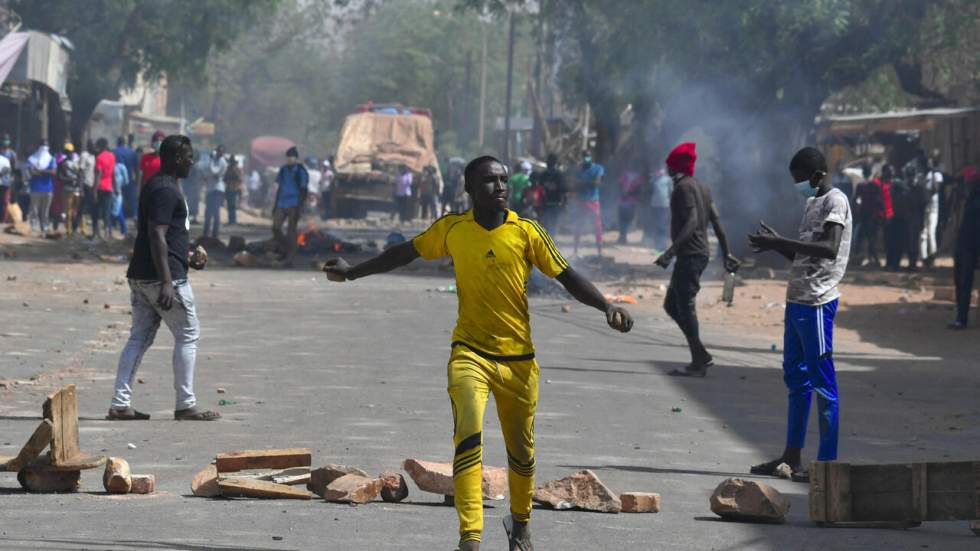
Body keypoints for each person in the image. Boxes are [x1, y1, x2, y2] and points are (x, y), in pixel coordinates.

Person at [323, 155, 633, 551]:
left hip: (519, 363)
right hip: (470, 354)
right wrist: (353, 271)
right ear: (469, 189)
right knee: (468, 440)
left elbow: (566, 275)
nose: (501, 187)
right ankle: (469, 538)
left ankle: (520, 525)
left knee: (522, 455)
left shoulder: (527, 232)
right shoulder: (453, 229)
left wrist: (606, 305)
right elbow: (405, 252)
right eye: (489, 181)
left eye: (504, 180)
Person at [747, 147, 852, 481]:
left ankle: (827, 465)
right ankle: (792, 457)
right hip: (797, 302)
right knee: (796, 380)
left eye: (800, 179)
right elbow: (803, 259)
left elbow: (829, 249)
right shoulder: (812, 204)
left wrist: (783, 239)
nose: (798, 186)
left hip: (818, 304)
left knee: (823, 383)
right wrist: (775, 245)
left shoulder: (836, 201)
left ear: (817, 175)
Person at [107, 134, 220, 422]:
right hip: (162, 279)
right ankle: (185, 404)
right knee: (187, 334)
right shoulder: (166, 190)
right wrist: (168, 280)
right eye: (187, 157)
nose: (192, 162)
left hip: (142, 275)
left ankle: (120, 404)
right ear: (173, 159)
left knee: (139, 338)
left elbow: (164, 234)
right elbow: (156, 235)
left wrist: (188, 253)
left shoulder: (157, 186)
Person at [655, 142, 739, 377]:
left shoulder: (683, 188)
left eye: (670, 164)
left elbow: (692, 222)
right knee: (672, 305)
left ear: (676, 166)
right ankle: (699, 354)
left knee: (685, 305)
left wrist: (669, 252)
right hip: (698, 254)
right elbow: (717, 224)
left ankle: (699, 360)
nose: (667, 168)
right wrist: (727, 253)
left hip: (690, 254)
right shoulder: (703, 188)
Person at [949, 169, 980, 330]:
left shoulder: (975, 202)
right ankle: (961, 317)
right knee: (961, 283)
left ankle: (962, 318)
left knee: (964, 283)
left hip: (970, 247)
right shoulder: (967, 200)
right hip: (964, 246)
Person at [272, 146, 308, 264]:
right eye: (287, 157)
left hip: (294, 203)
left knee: (291, 231)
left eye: (291, 157)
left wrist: (300, 206)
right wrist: (275, 204)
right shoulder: (283, 170)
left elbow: (303, 190)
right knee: (275, 227)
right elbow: (279, 187)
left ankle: (290, 257)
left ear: (296, 158)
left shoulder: (300, 171)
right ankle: (286, 248)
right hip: (282, 203)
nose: (289, 159)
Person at [572, 150, 605, 257]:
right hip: (580, 201)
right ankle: (575, 251)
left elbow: (597, 183)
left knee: (597, 226)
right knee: (578, 225)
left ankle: (600, 252)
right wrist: (589, 183)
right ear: (582, 157)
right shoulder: (578, 169)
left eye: (588, 156)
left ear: (591, 156)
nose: (586, 158)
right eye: (585, 156)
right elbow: (574, 184)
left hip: (593, 201)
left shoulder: (598, 168)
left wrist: (582, 183)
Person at [26, 140, 57, 235]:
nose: (44, 147)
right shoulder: (32, 159)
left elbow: (53, 172)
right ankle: (34, 228)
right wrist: (46, 171)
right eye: (43, 145)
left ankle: (45, 227)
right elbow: (31, 172)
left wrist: (40, 171)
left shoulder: (51, 159)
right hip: (35, 188)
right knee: (34, 210)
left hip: (48, 189)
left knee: (45, 211)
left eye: (46, 145)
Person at [919, 159, 943, 268]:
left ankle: (932, 257)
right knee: (923, 234)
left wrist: (933, 173)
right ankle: (924, 257)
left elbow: (935, 189)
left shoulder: (937, 175)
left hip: (933, 208)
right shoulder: (926, 175)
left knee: (931, 233)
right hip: (925, 207)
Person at [537, 153, 565, 235]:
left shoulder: (559, 175)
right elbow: (539, 189)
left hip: (556, 204)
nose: (549, 163)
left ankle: (552, 241)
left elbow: (563, 190)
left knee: (553, 224)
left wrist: (563, 203)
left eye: (551, 161)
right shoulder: (543, 175)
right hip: (545, 204)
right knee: (545, 225)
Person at [94, 138, 117, 239]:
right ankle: (108, 232)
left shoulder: (99, 157)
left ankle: (98, 233)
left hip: (100, 187)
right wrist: (115, 187)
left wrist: (94, 190)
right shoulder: (112, 156)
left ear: (100, 146)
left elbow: (98, 174)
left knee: (98, 211)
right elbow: (113, 174)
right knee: (107, 211)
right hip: (109, 187)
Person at [203, 144, 227, 239]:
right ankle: (205, 234)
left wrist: (211, 160)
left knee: (215, 212)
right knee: (208, 213)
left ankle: (214, 235)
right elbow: (206, 171)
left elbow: (213, 171)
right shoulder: (213, 160)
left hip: (217, 190)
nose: (219, 152)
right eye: (218, 150)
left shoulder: (222, 162)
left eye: (221, 151)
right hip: (210, 189)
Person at [57, 143, 81, 237]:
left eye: (71, 152)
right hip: (67, 189)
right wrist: (70, 180)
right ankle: (69, 230)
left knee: (77, 210)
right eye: (68, 152)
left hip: (77, 189)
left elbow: (81, 174)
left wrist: (79, 182)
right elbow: (60, 176)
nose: (70, 154)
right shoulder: (62, 163)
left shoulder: (77, 162)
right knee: (68, 211)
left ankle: (76, 229)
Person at [616, 162, 643, 245]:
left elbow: (619, 186)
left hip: (622, 201)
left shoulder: (624, 175)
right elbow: (638, 190)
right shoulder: (639, 178)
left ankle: (622, 236)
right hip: (631, 202)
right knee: (627, 220)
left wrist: (623, 194)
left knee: (622, 220)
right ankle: (623, 236)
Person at [113, 136, 138, 219]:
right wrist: (137, 181)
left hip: (116, 179)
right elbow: (136, 168)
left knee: (117, 198)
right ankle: (134, 215)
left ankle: (117, 216)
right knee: (131, 198)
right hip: (129, 179)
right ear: (125, 143)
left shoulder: (114, 151)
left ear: (117, 142)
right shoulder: (132, 152)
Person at [649, 168, 673, 251]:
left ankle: (662, 246)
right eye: (658, 169)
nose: (659, 171)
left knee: (662, 225)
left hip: (665, 206)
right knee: (656, 225)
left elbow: (671, 192)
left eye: (661, 169)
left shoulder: (668, 180)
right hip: (655, 205)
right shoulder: (653, 179)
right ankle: (657, 245)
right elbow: (650, 191)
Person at [79, 140, 97, 238]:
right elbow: (81, 172)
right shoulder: (84, 155)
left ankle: (94, 231)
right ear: (88, 146)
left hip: (93, 186)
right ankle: (74, 229)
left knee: (93, 209)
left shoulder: (95, 156)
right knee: (81, 208)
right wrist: (81, 188)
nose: (94, 148)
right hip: (86, 185)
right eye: (92, 146)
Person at [112, 156, 130, 237]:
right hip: (111, 190)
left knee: (117, 211)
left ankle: (123, 229)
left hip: (117, 191)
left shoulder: (119, 167)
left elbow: (126, 180)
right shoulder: (114, 166)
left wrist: (118, 187)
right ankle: (115, 229)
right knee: (116, 210)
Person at [223, 156, 243, 226]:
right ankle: (231, 220)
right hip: (228, 188)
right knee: (229, 205)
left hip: (234, 189)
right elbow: (224, 178)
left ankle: (233, 221)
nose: (231, 163)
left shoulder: (236, 169)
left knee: (232, 205)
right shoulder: (228, 169)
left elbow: (239, 179)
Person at [0, 141, 11, 223]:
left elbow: (8, 170)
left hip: (4, 184)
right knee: (4, 202)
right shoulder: (6, 160)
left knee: (4, 202)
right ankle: (3, 220)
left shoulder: (6, 159)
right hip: (5, 184)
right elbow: (8, 170)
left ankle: (3, 220)